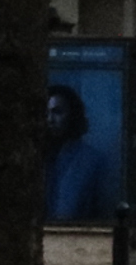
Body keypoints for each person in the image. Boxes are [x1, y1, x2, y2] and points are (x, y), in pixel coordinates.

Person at [44, 84, 110, 220]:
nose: (50, 120)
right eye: (46, 113)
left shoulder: (92, 161)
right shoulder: (34, 158)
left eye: (57, 112)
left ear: (72, 116)